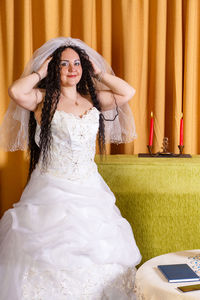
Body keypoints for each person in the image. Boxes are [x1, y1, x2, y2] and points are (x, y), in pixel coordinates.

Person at [0, 37, 141, 300]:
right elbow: (16, 91)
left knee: (97, 250)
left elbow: (127, 92)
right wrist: (40, 72)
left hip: (89, 188)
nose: (72, 68)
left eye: (77, 63)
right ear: (55, 68)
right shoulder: (43, 99)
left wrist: (99, 72)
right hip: (51, 187)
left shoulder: (93, 99)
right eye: (64, 64)